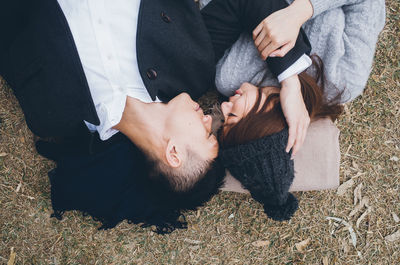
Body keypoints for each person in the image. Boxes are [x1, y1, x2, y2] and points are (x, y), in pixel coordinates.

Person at [0, 0, 312, 232]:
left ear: (173, 153)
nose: (209, 116)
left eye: (206, 133)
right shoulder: (192, 68)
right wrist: (290, 80)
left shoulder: (52, 115)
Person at [202, 0, 385, 220]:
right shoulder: (343, 80)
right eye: (232, 115)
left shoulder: (231, 77)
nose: (223, 105)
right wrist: (303, 10)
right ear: (265, 120)